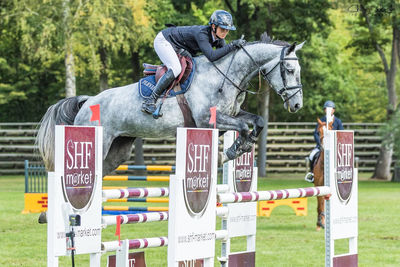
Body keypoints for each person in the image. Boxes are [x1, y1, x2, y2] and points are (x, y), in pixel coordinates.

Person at [141, 10, 246, 115]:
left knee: (196, 66)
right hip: (164, 41)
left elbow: (223, 57)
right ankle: (150, 101)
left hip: (179, 46)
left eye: (227, 30)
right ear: (213, 26)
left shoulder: (219, 38)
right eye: (223, 29)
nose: (225, 33)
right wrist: (232, 45)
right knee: (176, 68)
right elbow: (212, 56)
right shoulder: (202, 34)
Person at [304, 100, 344, 182]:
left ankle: (342, 174)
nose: (328, 110)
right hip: (321, 146)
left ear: (334, 110)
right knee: (312, 155)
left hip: (334, 146)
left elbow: (341, 134)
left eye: (330, 109)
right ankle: (312, 174)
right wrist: (320, 143)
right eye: (326, 109)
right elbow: (315, 133)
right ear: (324, 110)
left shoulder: (338, 121)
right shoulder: (321, 120)